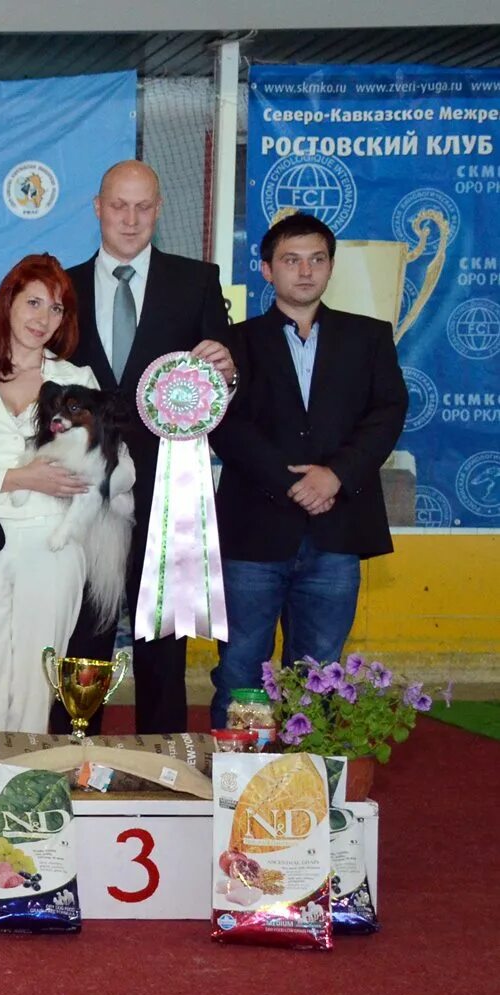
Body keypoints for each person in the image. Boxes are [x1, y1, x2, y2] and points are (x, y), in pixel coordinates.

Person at [56, 160, 239, 734]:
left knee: (163, 637)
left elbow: (224, 376)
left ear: (159, 209)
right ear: (97, 207)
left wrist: (228, 369)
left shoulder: (198, 281)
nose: (130, 219)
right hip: (81, 491)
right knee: (81, 630)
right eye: (118, 205)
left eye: (143, 206)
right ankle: (71, 753)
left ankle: (164, 764)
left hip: (168, 488)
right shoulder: (60, 288)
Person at [209, 213, 406, 727]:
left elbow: (387, 413)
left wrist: (335, 476)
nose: (305, 271)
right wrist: (294, 482)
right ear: (267, 270)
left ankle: (313, 788)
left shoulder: (369, 337)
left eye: (317, 260)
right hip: (253, 531)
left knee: (321, 670)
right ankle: (236, 787)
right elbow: (223, 424)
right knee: (240, 669)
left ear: (331, 267)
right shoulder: (233, 343)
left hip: (337, 530)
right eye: (291, 260)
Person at [0, 254, 128, 733]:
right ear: (8, 303)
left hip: (52, 546)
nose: (43, 318)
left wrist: (86, 480)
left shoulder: (79, 380)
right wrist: (19, 478)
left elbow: (121, 473)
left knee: (37, 686)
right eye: (34, 302)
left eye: (56, 309)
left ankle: (28, 792)